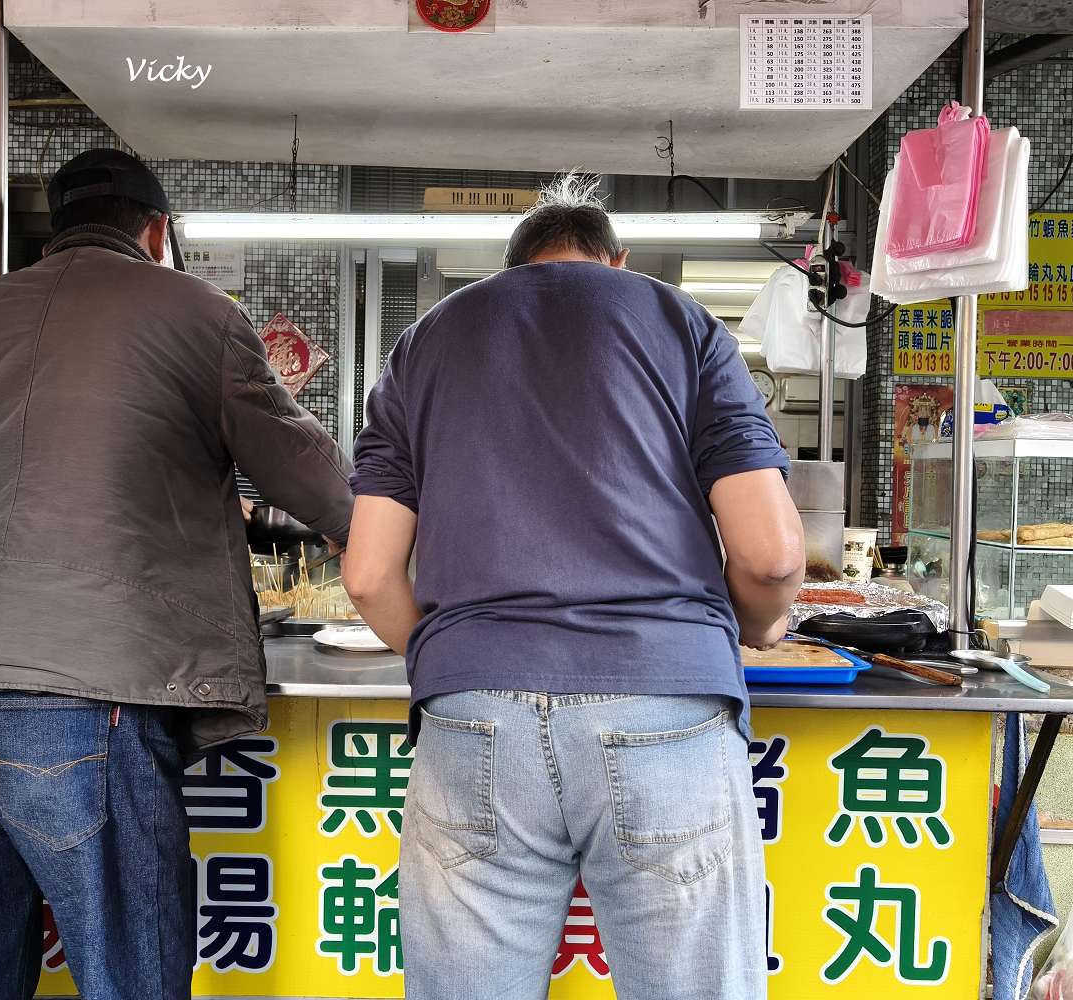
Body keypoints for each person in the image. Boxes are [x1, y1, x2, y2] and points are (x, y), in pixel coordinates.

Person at [0, 149, 354, 1000]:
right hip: (81, 693)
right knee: (126, 965)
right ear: (157, 230)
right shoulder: (198, 312)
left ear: (61, 226)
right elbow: (315, 482)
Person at [343, 173, 804, 1000]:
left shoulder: (424, 342)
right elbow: (770, 556)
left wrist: (458, 653)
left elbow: (369, 573)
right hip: (666, 706)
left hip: (472, 714)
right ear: (616, 263)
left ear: (511, 269)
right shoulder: (681, 323)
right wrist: (752, 629)